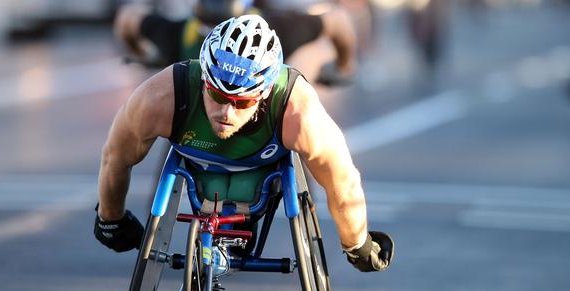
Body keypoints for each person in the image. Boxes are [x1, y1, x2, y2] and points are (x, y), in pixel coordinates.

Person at [94, 14, 393, 272]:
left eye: (242, 101)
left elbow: (343, 182)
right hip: (198, 169)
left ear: (263, 95)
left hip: (261, 176)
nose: (226, 112)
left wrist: (356, 243)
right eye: (218, 96)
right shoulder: (159, 98)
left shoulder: (298, 112)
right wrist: (111, 218)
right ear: (204, 80)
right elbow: (115, 157)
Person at [113, 0, 357, 85]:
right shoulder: (277, 30)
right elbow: (337, 20)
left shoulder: (177, 34)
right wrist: (343, 66)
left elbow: (128, 18)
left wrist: (145, 53)